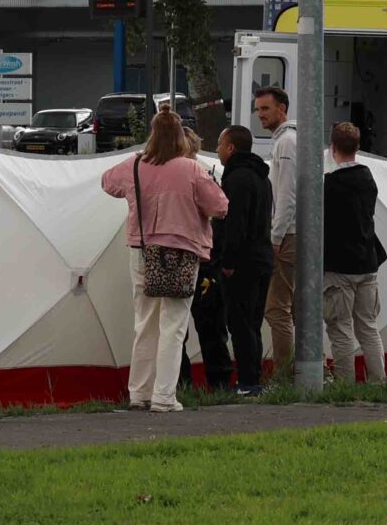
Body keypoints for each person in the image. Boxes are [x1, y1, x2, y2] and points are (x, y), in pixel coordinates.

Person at [100, 107, 227, 411]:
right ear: (180, 134)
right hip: (181, 254)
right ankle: (164, 396)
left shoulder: (134, 165)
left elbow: (107, 183)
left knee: (145, 323)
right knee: (174, 324)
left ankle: (139, 393)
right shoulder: (192, 169)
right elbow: (220, 206)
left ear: (153, 134)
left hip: (142, 252)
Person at [322, 122, 387, 384]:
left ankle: (345, 384)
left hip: (339, 265)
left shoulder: (329, 184)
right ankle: (378, 381)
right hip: (367, 262)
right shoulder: (367, 179)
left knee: (340, 328)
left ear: (332, 147)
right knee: (368, 327)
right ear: (358, 148)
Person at [211, 124, 273, 395]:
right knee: (253, 323)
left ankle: (248, 382)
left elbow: (234, 224)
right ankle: (254, 378)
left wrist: (227, 262)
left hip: (242, 263)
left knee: (239, 323)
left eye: (219, 144)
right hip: (262, 257)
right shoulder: (262, 177)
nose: (216, 149)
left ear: (231, 148)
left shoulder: (236, 179)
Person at [253, 87, 299, 376]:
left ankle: (284, 372)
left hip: (288, 234)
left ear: (282, 109)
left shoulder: (287, 143)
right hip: (292, 231)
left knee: (276, 308)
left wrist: (276, 236)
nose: (260, 115)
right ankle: (302, 368)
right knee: (292, 307)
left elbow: (287, 194)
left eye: (265, 109)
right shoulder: (287, 141)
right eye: (258, 110)